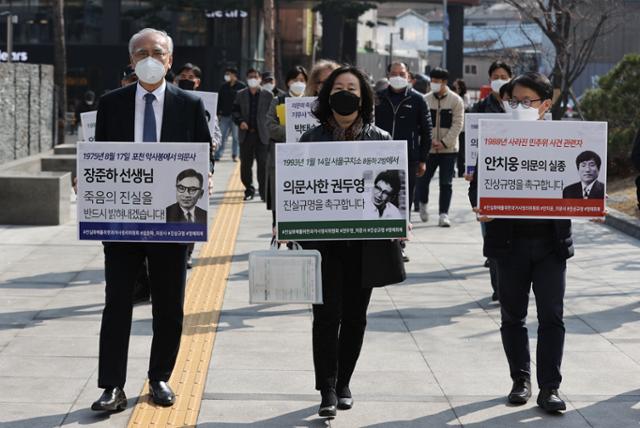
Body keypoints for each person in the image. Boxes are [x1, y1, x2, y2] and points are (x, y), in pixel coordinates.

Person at [90, 28, 212, 412]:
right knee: (116, 304)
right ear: (130, 60)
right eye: (141, 51)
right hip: (123, 222)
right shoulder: (111, 104)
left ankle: (159, 376)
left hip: (172, 221)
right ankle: (111, 385)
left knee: (169, 304)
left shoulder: (189, 104)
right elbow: (102, 157)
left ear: (169, 60)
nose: (149, 57)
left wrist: (205, 175)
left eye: (157, 51)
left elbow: (204, 151)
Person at [299, 65, 406, 419]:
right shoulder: (311, 140)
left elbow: (397, 193)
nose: (346, 93)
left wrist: (399, 223)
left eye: (353, 88)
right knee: (326, 316)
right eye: (339, 87)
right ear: (328, 95)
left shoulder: (382, 140)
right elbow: (295, 191)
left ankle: (344, 380)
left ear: (364, 97)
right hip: (324, 245)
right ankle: (326, 388)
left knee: (356, 316)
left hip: (366, 246)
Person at [468, 71, 571, 413]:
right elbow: (477, 187)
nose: (520, 106)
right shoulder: (498, 139)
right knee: (513, 316)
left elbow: (577, 186)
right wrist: (480, 208)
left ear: (546, 104)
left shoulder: (565, 140)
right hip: (508, 244)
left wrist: (590, 206)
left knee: (552, 317)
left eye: (528, 101)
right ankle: (520, 380)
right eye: (514, 101)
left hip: (550, 244)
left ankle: (550, 387)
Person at [374, 61, 431, 260]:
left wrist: (423, 158)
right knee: (379, 197)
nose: (397, 76)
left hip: (408, 157)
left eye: (402, 73)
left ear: (408, 76)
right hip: (380, 156)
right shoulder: (378, 98)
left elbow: (426, 131)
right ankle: (380, 240)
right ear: (388, 75)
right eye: (394, 72)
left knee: (403, 200)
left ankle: (400, 243)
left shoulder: (418, 100)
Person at [173, 61, 222, 267]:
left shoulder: (205, 104)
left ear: (198, 82)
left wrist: (214, 143)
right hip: (172, 162)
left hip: (198, 164)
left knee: (192, 208)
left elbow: (216, 132)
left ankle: (187, 251)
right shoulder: (169, 102)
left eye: (191, 77)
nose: (186, 80)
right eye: (183, 76)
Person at [416, 67, 464, 227]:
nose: (434, 84)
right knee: (423, 180)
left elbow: (458, 124)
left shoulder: (456, 100)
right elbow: (421, 125)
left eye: (437, 81)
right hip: (428, 150)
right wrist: (429, 142)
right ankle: (422, 203)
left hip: (448, 150)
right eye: (432, 81)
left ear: (444, 82)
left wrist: (444, 142)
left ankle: (444, 214)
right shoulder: (424, 99)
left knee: (446, 183)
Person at [265, 65, 308, 230]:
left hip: (305, 160)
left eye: (302, 80)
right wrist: (292, 131)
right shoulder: (278, 101)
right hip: (282, 158)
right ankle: (279, 233)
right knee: (281, 198)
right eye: (295, 80)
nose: (298, 83)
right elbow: (270, 126)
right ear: (288, 82)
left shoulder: (311, 101)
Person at [232, 68, 273, 201]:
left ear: (260, 78)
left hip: (263, 135)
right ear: (246, 78)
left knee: (263, 164)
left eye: (255, 76)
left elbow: (272, 115)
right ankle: (249, 189)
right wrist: (240, 121)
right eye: (250, 77)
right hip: (246, 134)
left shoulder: (268, 95)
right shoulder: (240, 94)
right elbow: (235, 112)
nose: (253, 79)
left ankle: (263, 191)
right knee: (245, 165)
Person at [216, 67, 246, 161]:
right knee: (222, 136)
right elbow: (219, 100)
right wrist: (218, 112)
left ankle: (235, 155)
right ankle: (218, 154)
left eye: (229, 74)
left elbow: (244, 101)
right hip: (224, 115)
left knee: (236, 137)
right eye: (227, 74)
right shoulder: (223, 86)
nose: (227, 76)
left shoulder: (241, 86)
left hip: (236, 116)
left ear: (234, 75)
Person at [452, 78, 470, 178]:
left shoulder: (465, 96)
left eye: (456, 87)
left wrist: (458, 94)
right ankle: (452, 171)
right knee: (453, 150)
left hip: (463, 129)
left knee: (461, 151)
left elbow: (465, 106)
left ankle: (461, 171)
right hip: (454, 128)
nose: (454, 89)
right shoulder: (452, 96)